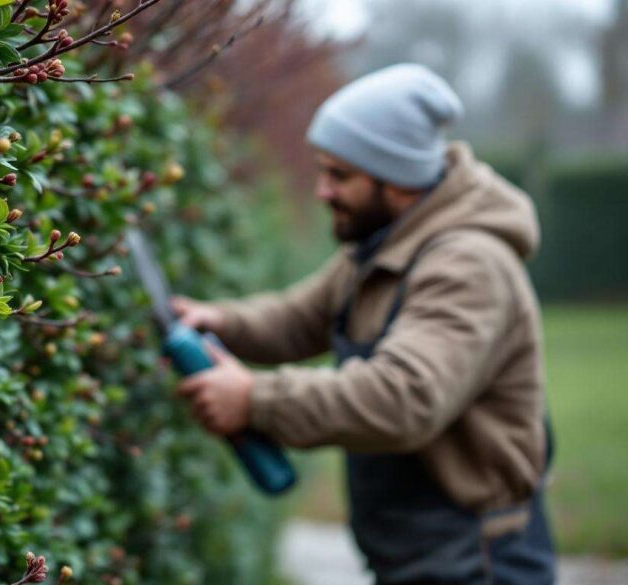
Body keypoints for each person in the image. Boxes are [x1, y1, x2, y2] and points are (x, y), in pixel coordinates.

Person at [170, 63, 556, 585]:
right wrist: (219, 321)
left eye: (340, 175)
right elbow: (298, 318)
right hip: (421, 551)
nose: (322, 191)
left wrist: (255, 400)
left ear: (397, 181)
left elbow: (403, 398)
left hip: (478, 556)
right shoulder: (384, 246)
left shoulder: (468, 265)